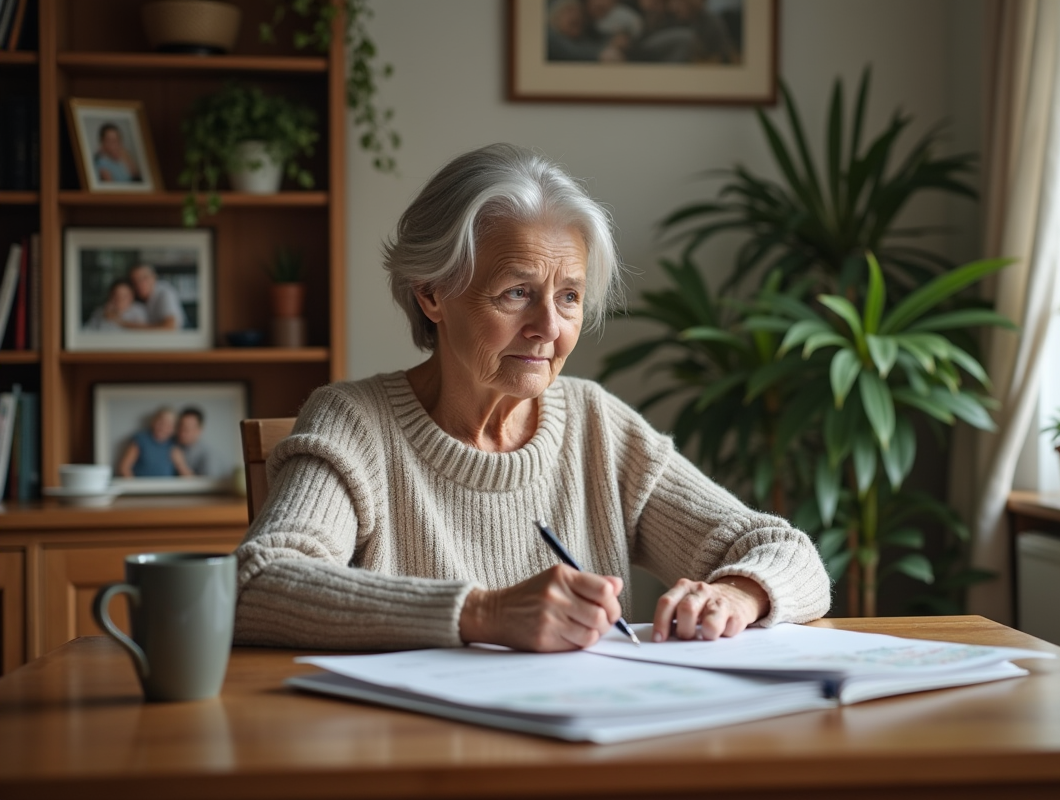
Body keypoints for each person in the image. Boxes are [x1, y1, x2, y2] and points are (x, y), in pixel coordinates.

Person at [234, 143, 830, 653]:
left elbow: (786, 553)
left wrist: (736, 594)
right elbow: (257, 584)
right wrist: (484, 613)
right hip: (418, 745)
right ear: (432, 294)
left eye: (569, 297)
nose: (549, 327)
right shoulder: (354, 423)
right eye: (517, 292)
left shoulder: (596, 423)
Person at [124, 263, 188, 330]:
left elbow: (170, 327)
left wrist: (128, 325)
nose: (139, 284)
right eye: (134, 281)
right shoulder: (136, 298)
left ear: (154, 277)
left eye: (144, 278)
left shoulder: (165, 293)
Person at [118, 407, 177, 478]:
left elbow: (185, 473)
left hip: (167, 484)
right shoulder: (140, 440)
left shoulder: (173, 445)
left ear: (173, 429)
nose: (163, 427)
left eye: (168, 424)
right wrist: (134, 484)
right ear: (153, 421)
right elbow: (124, 468)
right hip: (141, 484)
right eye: (161, 422)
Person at [171, 407, 217, 477]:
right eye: (180, 427)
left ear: (199, 430)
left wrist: (181, 465)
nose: (181, 432)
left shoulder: (208, 455)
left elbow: (206, 483)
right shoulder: (173, 443)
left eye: (187, 429)